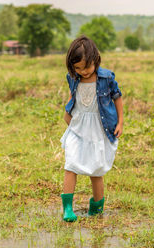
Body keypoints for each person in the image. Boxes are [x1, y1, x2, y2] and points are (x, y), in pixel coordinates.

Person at [60, 35, 124, 222]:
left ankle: (96, 206)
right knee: (71, 164)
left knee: (96, 169)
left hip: (99, 127)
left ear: (96, 60)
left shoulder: (106, 78)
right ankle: (68, 208)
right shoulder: (73, 77)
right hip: (78, 126)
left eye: (87, 67)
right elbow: (74, 97)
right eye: (78, 68)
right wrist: (68, 112)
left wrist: (120, 122)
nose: (83, 72)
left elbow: (117, 98)